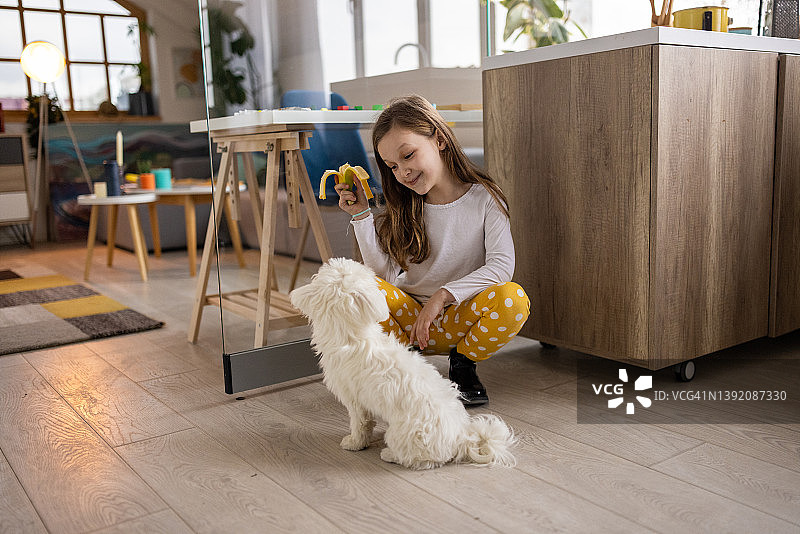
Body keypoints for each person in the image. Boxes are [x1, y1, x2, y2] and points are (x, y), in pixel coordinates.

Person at [334, 95, 530, 405]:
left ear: (438, 139)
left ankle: (463, 366)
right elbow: (382, 276)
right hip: (410, 324)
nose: (403, 172)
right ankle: (405, 370)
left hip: (461, 319)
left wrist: (442, 296)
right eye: (392, 166)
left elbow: (502, 266)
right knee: (355, 287)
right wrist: (361, 216)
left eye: (408, 155)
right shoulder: (406, 206)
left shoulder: (486, 199)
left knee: (513, 299)